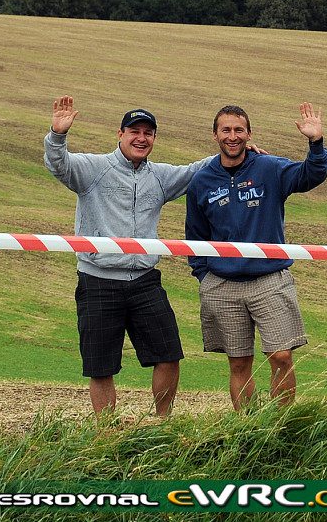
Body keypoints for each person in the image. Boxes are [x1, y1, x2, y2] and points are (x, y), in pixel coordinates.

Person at [44, 96, 264, 417]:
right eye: (134, 131)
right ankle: (107, 434)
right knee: (101, 367)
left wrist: (235, 152)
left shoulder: (160, 177)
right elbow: (58, 164)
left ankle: (163, 424)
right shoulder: (93, 169)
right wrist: (58, 135)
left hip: (145, 281)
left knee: (169, 355)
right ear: (120, 134)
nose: (141, 138)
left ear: (154, 139)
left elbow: (196, 172)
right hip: (98, 281)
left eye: (148, 133)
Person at [185, 102, 327, 410]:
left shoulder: (270, 168)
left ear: (249, 134)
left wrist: (315, 142)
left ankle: (280, 429)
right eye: (226, 130)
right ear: (215, 135)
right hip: (222, 286)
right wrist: (204, 275)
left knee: (281, 356)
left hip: (269, 282)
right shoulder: (202, 181)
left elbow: (311, 175)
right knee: (239, 364)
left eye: (239, 129)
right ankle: (247, 431)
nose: (232, 136)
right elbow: (195, 236)